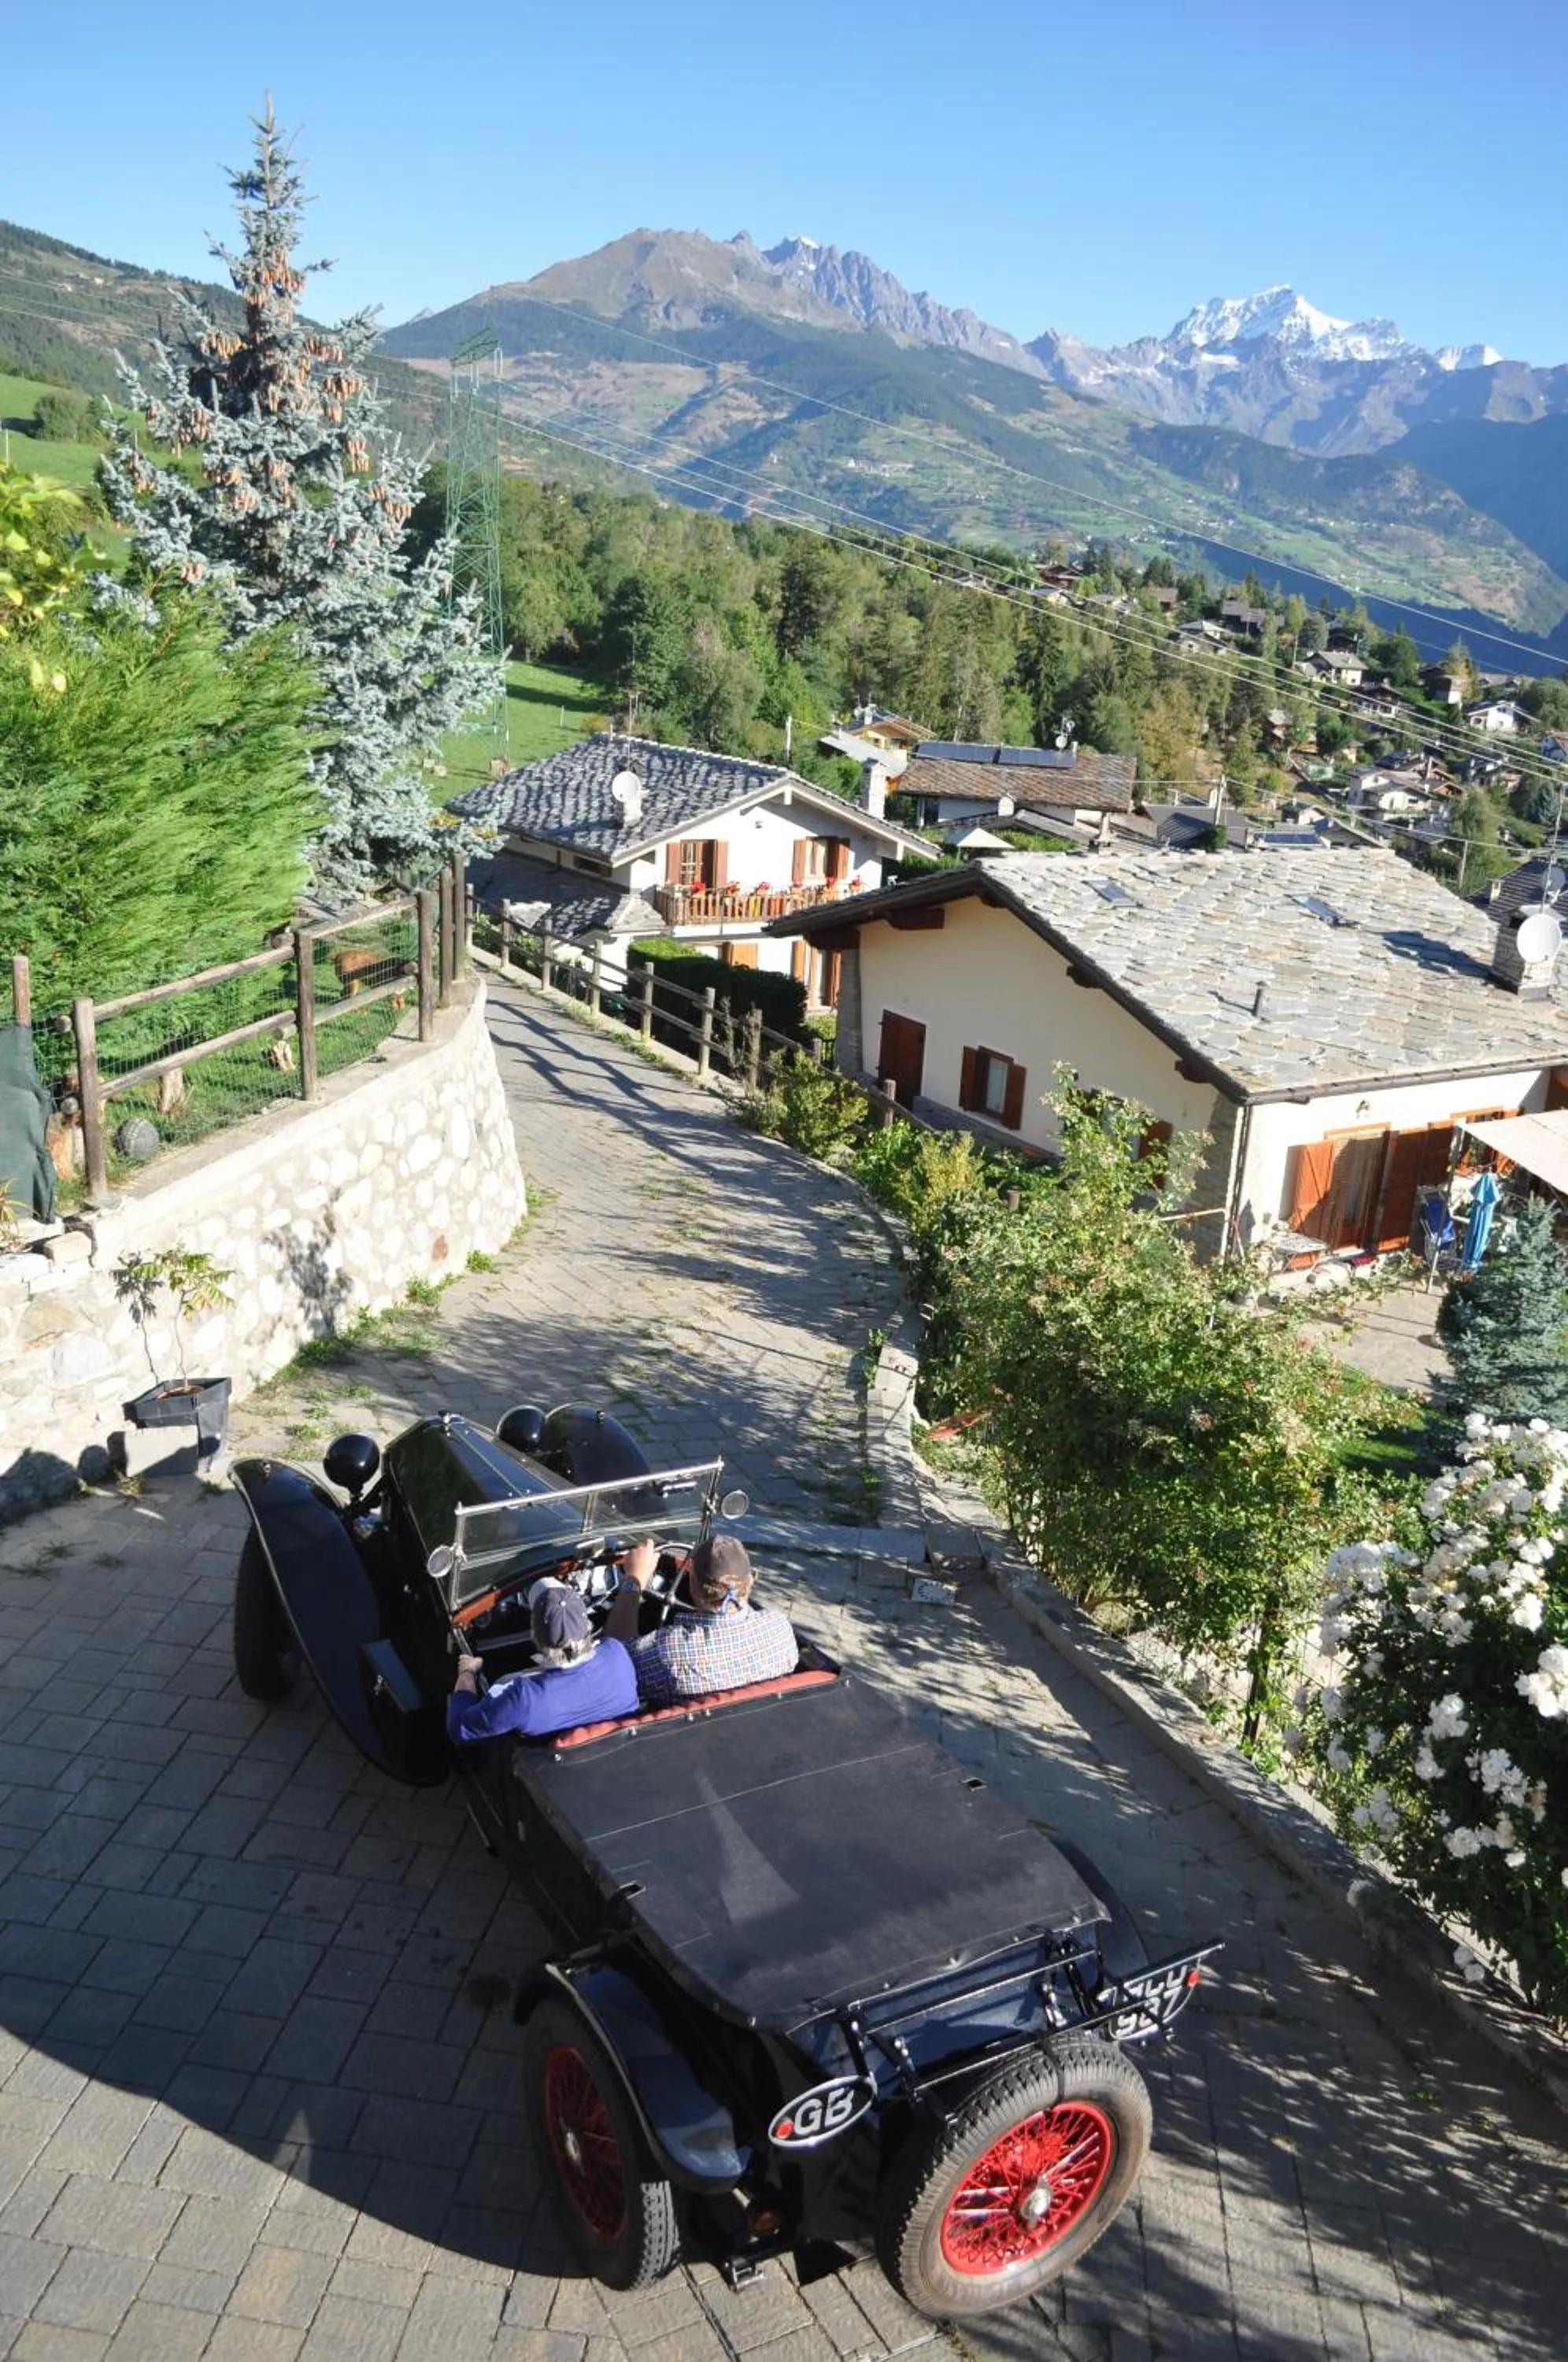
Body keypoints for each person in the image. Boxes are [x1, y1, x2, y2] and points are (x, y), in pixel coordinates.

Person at [447, 1577, 638, 1742]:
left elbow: (460, 1730)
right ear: (587, 1625)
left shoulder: (521, 1696)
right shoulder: (617, 1654)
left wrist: (468, 1673)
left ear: (535, 1636)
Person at [619, 1532, 797, 1708]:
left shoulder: (669, 1651)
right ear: (750, 1581)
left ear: (693, 1583)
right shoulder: (780, 1631)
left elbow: (616, 1660)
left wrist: (633, 1581)